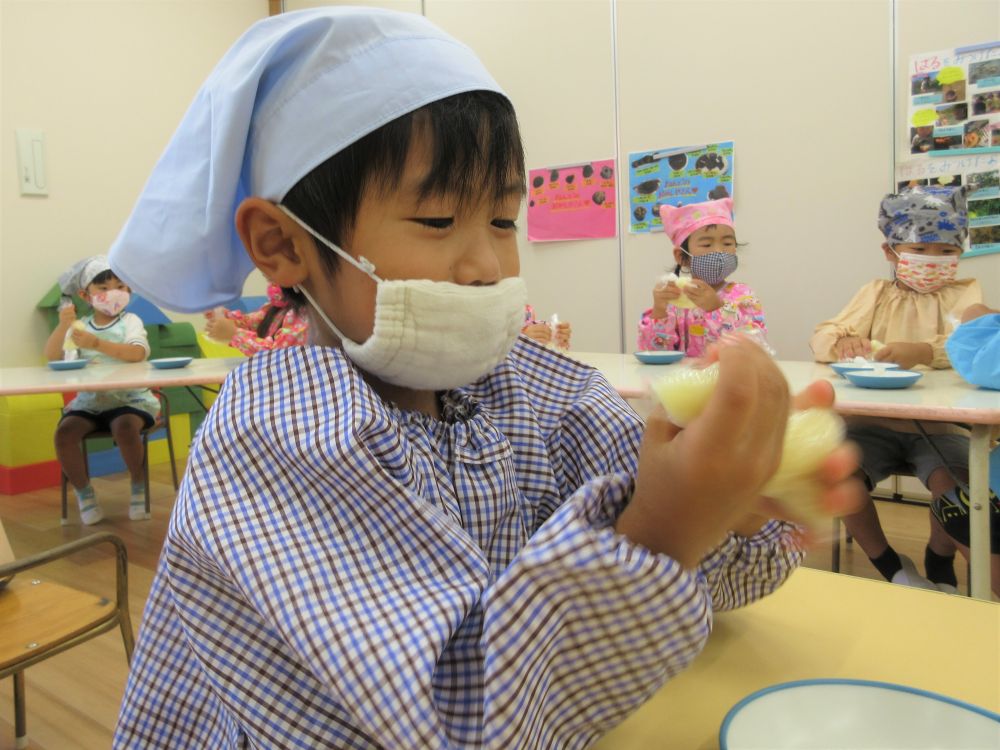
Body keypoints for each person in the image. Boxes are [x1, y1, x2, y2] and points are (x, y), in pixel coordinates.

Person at [107, 9, 858, 748]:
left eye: (503, 221)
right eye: (437, 223)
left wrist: (733, 511)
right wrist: (660, 532)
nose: (487, 267)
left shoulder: (546, 396)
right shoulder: (277, 439)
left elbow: (705, 593)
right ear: (282, 245)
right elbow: (444, 720)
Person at [811, 185, 982, 592]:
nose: (934, 261)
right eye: (922, 251)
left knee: (955, 487)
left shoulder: (963, 295)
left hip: (939, 427)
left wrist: (924, 350)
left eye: (946, 251)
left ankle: (938, 557)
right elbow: (824, 334)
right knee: (839, 477)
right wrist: (843, 343)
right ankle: (891, 565)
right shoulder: (876, 293)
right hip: (872, 425)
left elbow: (973, 346)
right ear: (892, 252)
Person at [44, 256, 160, 524]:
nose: (113, 294)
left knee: (124, 427)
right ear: (86, 295)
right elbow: (53, 357)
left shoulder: (130, 321)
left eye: (120, 286)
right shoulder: (80, 327)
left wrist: (97, 344)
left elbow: (137, 353)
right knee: (64, 433)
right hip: (91, 402)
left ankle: (139, 483)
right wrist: (64, 325)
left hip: (130, 399)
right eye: (104, 289)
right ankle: (84, 493)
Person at [637, 197, 768, 357]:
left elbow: (752, 349)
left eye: (727, 243)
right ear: (681, 256)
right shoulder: (675, 300)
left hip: (726, 379)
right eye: (707, 245)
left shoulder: (743, 297)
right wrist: (659, 311)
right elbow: (655, 353)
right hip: (682, 380)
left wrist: (717, 309)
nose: (719, 251)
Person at [939, 302, 1000, 595]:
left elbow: (982, 365)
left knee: (951, 502)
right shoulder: (873, 292)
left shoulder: (966, 293)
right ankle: (936, 561)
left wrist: (978, 319)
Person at [203, 281, 309, 355]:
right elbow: (250, 323)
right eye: (269, 280)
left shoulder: (303, 316)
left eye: (273, 279)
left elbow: (278, 354)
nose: (272, 286)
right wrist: (223, 316)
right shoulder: (273, 308)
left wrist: (235, 334)